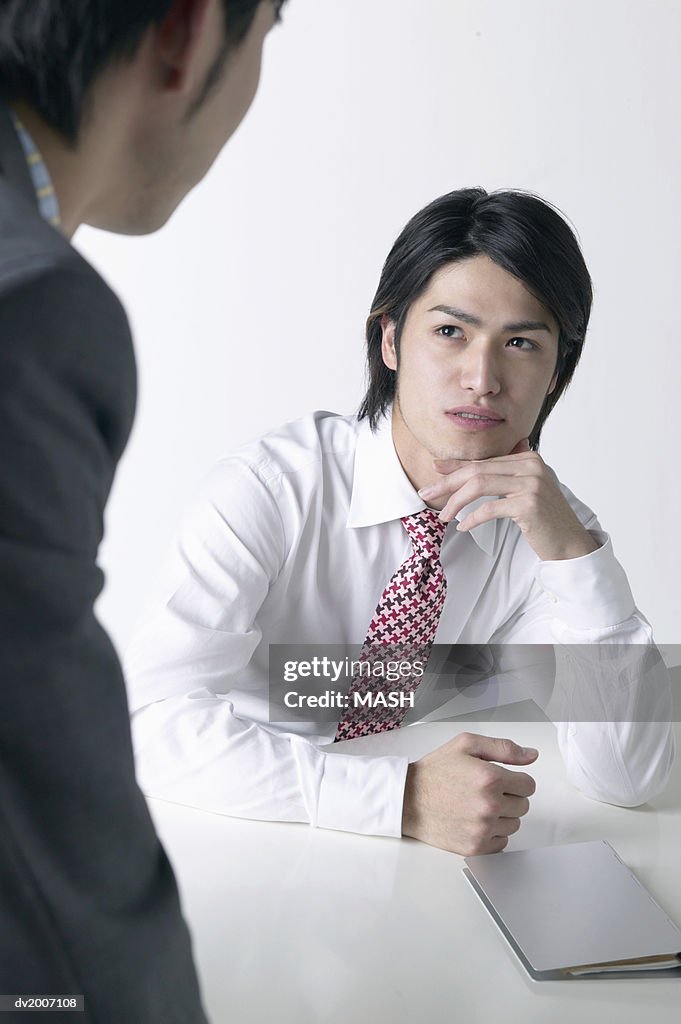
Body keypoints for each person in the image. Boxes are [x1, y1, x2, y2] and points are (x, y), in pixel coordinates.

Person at [125, 188, 674, 861]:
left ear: (556, 370)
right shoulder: (270, 489)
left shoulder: (544, 533)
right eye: (450, 332)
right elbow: (150, 723)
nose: (482, 377)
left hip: (409, 868)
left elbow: (625, 778)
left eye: (521, 343)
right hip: (233, 832)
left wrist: (577, 559)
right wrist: (400, 797)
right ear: (388, 339)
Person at [0, 1, 287, 1019]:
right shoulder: (31, 311)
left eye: (525, 342)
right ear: (187, 30)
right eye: (270, 36)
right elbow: (58, 856)